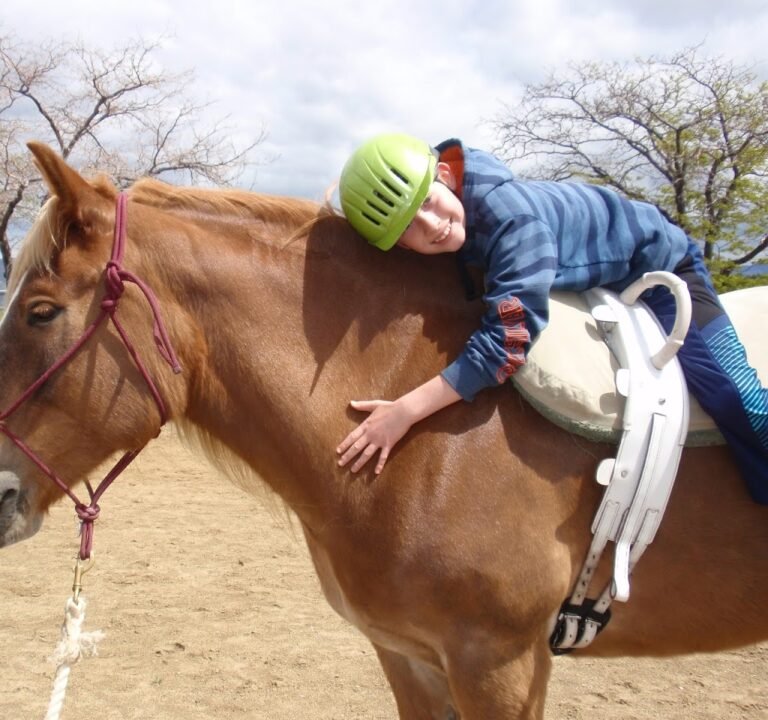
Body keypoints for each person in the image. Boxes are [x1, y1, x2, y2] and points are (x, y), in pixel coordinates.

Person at [334, 132, 768, 503]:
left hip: (663, 264)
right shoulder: (455, 215)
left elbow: (507, 344)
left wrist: (405, 411)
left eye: (427, 200)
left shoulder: (513, 221)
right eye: (409, 226)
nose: (431, 225)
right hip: (594, 270)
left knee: (731, 392)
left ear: (445, 176)